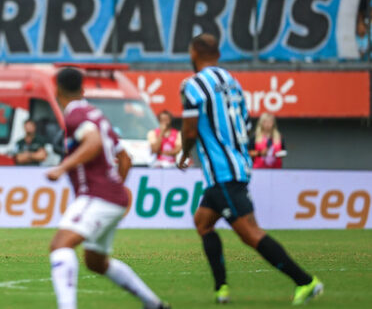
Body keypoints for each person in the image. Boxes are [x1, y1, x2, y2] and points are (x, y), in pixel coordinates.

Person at [179, 33, 322, 305]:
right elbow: (244, 125)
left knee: (250, 233)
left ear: (193, 53)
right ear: (218, 55)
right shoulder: (233, 83)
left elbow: (189, 129)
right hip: (238, 165)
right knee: (203, 222)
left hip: (222, 172)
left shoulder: (193, 85)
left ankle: (306, 281)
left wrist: (185, 153)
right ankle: (221, 289)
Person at [46, 67, 169, 309]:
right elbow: (126, 159)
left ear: (57, 90)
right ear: (83, 89)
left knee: (60, 246)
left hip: (97, 195)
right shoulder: (96, 115)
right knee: (95, 262)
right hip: (112, 197)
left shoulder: (74, 116)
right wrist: (116, 190)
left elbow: (92, 143)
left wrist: (63, 167)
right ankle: (154, 304)